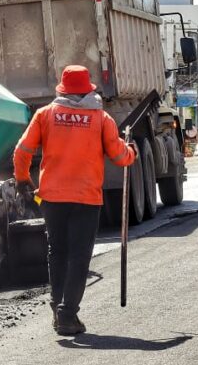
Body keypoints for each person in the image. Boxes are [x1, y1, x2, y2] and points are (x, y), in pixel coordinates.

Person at [13, 65, 136, 337]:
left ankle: (58, 307)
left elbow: (22, 151)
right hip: (86, 198)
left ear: (62, 89)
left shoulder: (45, 115)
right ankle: (67, 315)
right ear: (89, 89)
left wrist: (23, 180)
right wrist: (131, 152)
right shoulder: (101, 119)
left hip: (52, 198)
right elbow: (118, 156)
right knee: (79, 256)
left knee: (57, 252)